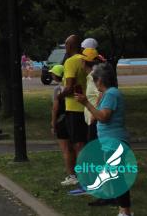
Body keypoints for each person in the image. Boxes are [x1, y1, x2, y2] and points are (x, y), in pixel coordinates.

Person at [76, 61, 132, 213]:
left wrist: (86, 103)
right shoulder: (109, 94)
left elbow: (104, 117)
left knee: (117, 178)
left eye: (94, 80)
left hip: (115, 141)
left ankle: (125, 211)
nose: (94, 83)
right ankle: (123, 210)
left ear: (100, 80)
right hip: (110, 141)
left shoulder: (111, 94)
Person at [58, 34, 89, 186]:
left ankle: (83, 178)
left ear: (69, 46)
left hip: (74, 108)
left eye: (66, 45)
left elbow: (69, 87)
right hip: (86, 107)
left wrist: (59, 96)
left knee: (78, 144)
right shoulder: (85, 60)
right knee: (82, 142)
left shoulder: (70, 62)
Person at [48, 64, 71, 182]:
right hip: (72, 117)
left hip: (61, 120)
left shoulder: (57, 90)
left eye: (53, 73)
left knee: (65, 150)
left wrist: (53, 123)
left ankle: (71, 174)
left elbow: (55, 108)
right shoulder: (70, 87)